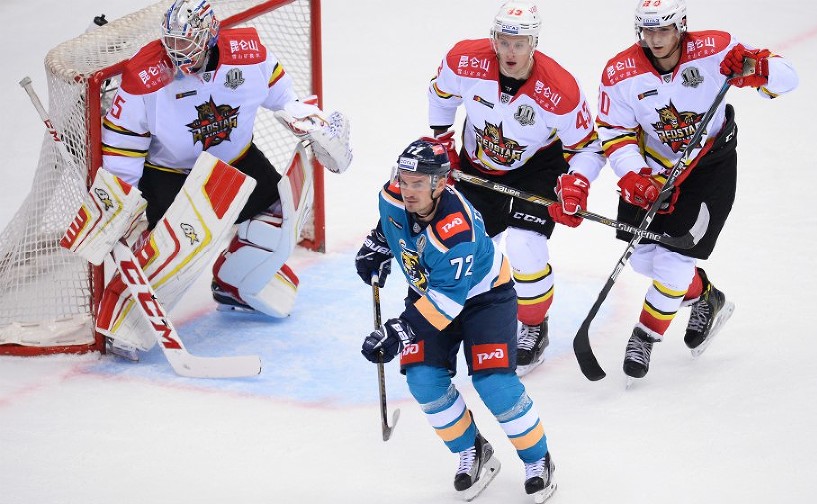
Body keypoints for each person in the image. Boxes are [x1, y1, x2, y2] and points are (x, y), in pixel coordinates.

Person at [98, 0, 352, 359]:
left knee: (283, 215)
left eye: (186, 42)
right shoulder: (144, 76)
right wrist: (123, 198)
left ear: (209, 36)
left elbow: (285, 99)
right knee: (169, 249)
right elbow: (122, 143)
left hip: (237, 161)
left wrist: (311, 122)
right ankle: (123, 324)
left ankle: (235, 283)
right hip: (171, 175)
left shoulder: (248, 54)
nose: (176, 51)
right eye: (171, 41)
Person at [595, 0, 799, 379]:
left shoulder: (716, 48)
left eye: (663, 29)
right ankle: (706, 296)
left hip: (708, 167)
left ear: (681, 26)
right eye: (648, 30)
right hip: (655, 171)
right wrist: (634, 176)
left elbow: (789, 79)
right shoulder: (620, 71)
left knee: (674, 263)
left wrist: (759, 69)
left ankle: (644, 337)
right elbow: (614, 130)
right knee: (644, 260)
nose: (655, 39)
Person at [355, 138, 557, 503]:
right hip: (430, 293)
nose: (408, 190)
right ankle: (472, 449)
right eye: (404, 180)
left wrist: (398, 331)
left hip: (485, 300)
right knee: (423, 380)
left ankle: (537, 459)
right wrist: (379, 244)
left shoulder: (455, 230)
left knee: (494, 384)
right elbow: (391, 222)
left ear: (440, 183)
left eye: (418, 183)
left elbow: (447, 302)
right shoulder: (393, 195)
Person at [427, 0, 605, 373]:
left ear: (533, 43)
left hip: (539, 166)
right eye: (504, 41)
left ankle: (534, 326)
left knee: (525, 245)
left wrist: (576, 185)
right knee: (472, 248)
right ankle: (466, 317)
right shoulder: (464, 60)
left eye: (519, 43)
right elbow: (440, 96)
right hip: (478, 164)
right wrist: (443, 141)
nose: (510, 51)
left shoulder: (560, 89)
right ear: (494, 38)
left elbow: (588, 147)